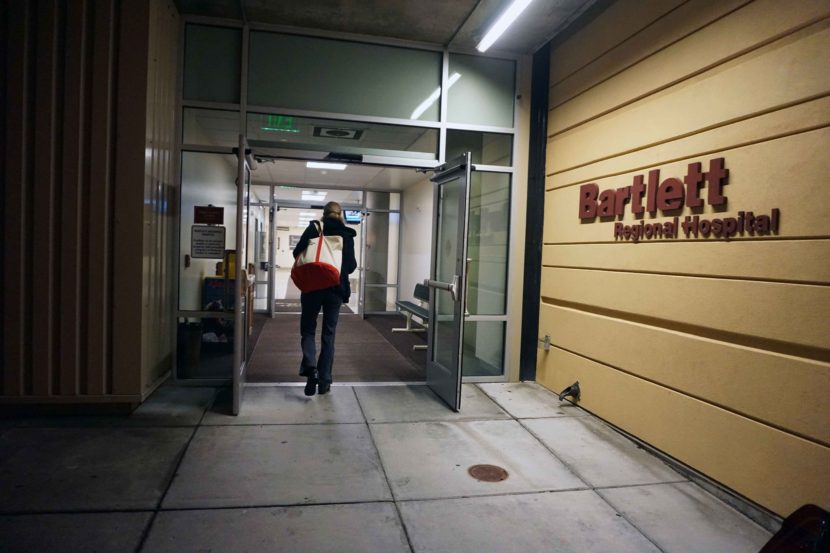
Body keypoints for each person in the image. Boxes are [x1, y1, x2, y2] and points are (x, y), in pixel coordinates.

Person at [292, 201, 357, 396]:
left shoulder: (314, 228)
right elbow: (351, 266)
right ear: (340, 215)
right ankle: (325, 381)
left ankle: (311, 367)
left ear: (324, 214)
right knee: (329, 335)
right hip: (335, 289)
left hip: (312, 287)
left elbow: (297, 253)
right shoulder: (346, 235)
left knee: (308, 330)